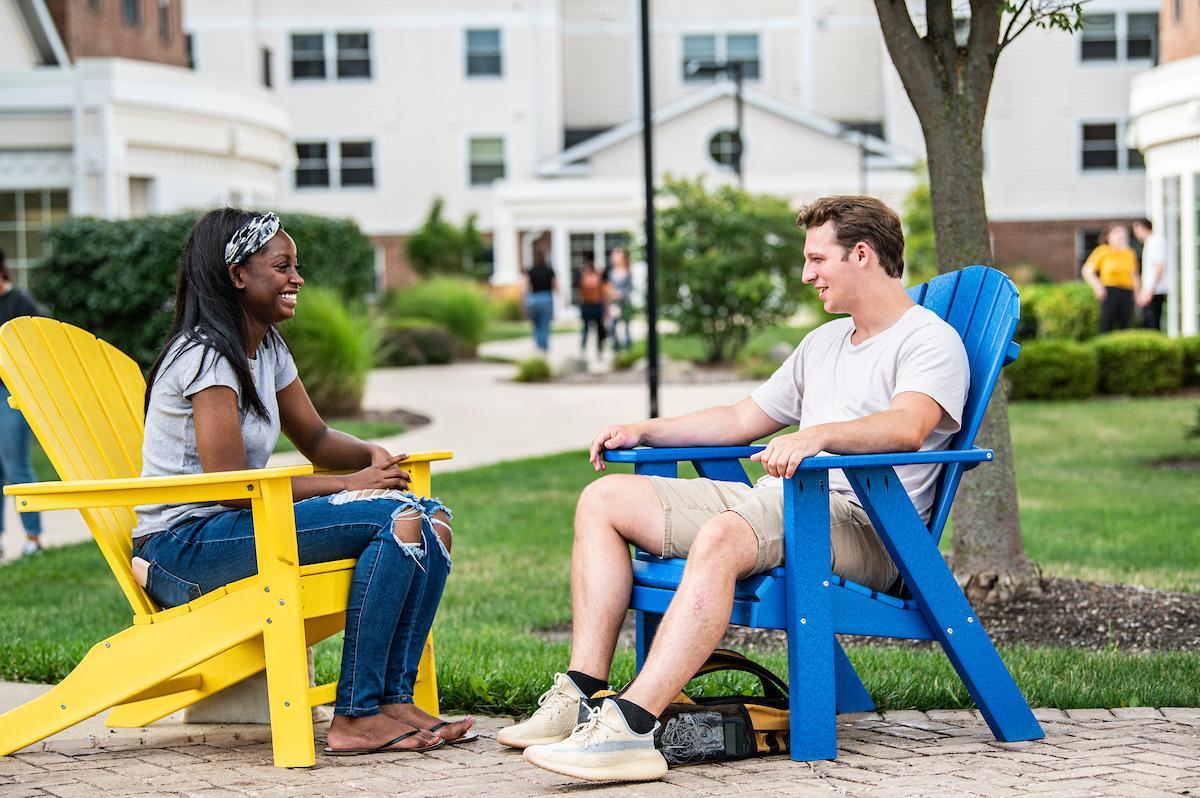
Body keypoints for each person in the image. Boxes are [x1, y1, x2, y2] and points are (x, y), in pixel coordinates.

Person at [497, 196, 970, 783]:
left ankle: (630, 729)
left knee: (724, 535)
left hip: (869, 527)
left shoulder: (928, 341)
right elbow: (743, 419)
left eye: (817, 259)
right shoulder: (823, 344)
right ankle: (583, 693)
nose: (807, 274)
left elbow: (908, 426)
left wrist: (817, 437)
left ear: (862, 254)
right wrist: (647, 429)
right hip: (788, 503)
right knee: (605, 501)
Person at [131, 208, 474, 754]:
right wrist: (350, 485)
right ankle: (356, 715)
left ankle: (390, 700)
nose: (298, 278)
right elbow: (228, 484)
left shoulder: (266, 349)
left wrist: (372, 454)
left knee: (431, 518)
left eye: (296, 265)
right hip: (183, 548)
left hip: (242, 528)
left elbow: (314, 438)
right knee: (401, 517)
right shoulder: (205, 356)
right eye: (282, 266)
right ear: (237, 275)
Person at [0, 247, 45, 559]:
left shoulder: (20, 302)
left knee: (16, 464)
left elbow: (42, 343)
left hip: (11, 394)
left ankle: (33, 539)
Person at [1082, 224, 1140, 334]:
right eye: (1117, 233)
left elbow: (1134, 274)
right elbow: (1087, 271)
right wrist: (1098, 287)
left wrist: (1137, 293)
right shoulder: (1102, 251)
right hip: (1110, 291)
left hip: (1127, 291)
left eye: (1123, 233)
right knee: (1107, 323)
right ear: (1109, 236)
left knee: (1126, 324)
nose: (1121, 236)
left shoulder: (1129, 253)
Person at [1133, 218, 1168, 331]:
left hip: (1155, 291)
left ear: (1144, 228)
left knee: (1152, 325)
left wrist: (1149, 292)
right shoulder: (1150, 242)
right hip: (1152, 290)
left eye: (1137, 231)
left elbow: (1159, 267)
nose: (1136, 235)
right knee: (1148, 323)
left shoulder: (1155, 242)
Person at [524, 250, 557, 354]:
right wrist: (564, 298)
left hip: (534, 298)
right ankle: (544, 346)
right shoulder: (549, 270)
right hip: (547, 298)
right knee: (545, 324)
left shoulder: (531, 271)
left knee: (536, 324)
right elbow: (555, 286)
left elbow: (526, 288)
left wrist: (524, 301)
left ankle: (539, 344)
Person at [577, 259, 608, 358]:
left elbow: (602, 292)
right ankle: (585, 349)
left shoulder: (592, 278)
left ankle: (596, 350)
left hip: (595, 305)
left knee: (597, 329)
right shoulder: (587, 278)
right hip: (589, 305)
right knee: (587, 328)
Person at [607, 247, 634, 353]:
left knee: (626, 323)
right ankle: (616, 345)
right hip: (614, 302)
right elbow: (609, 286)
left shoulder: (628, 271)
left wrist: (622, 294)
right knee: (613, 324)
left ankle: (628, 345)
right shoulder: (611, 272)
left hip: (625, 301)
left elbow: (630, 287)